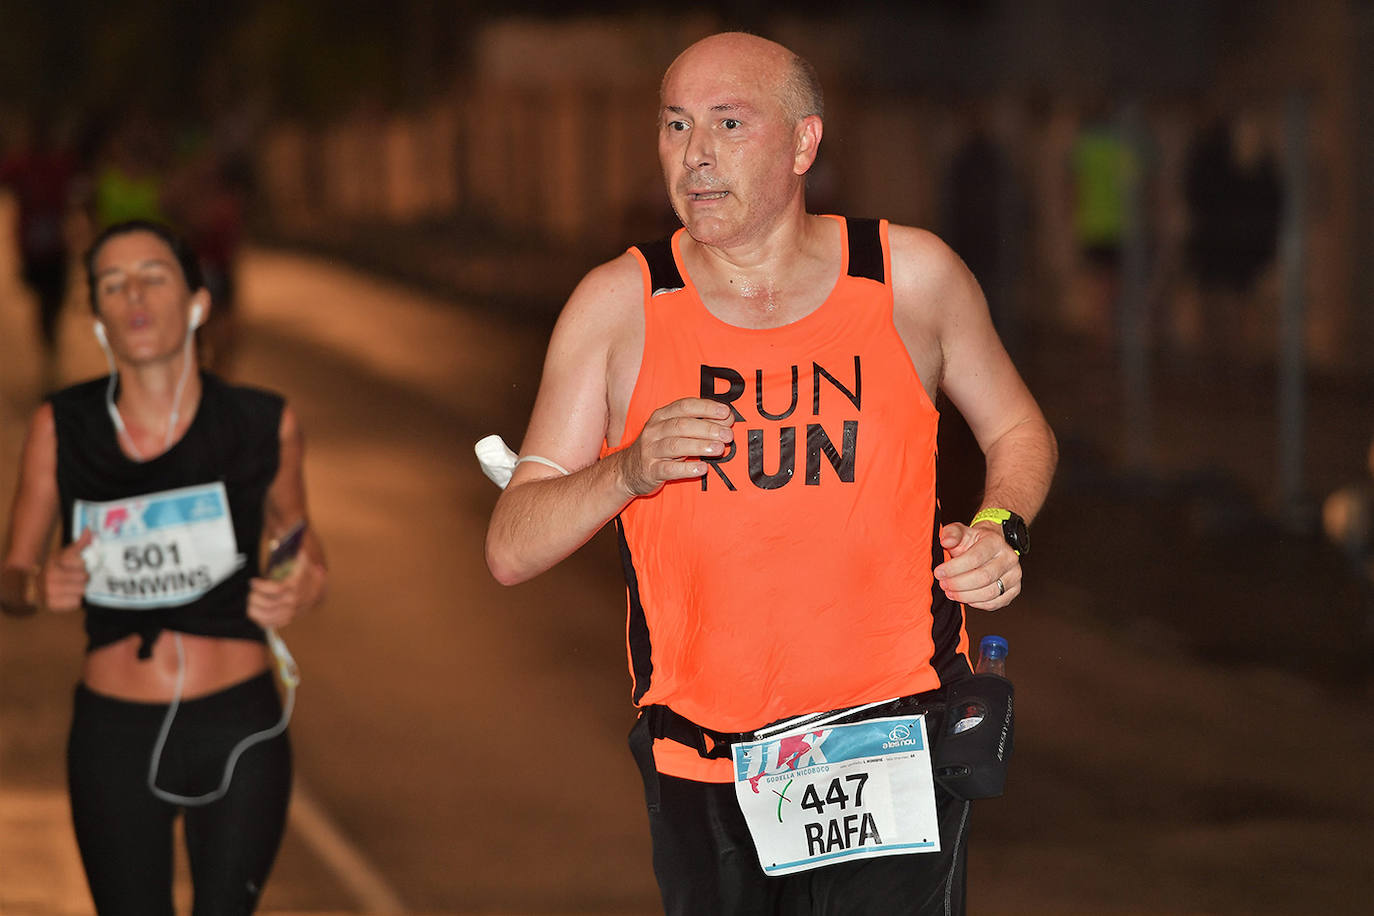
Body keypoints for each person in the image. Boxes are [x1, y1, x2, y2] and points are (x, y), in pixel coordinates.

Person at [484, 32, 1056, 915]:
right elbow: (512, 546)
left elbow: (1018, 427)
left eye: (728, 123)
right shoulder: (620, 306)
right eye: (675, 126)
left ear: (802, 144)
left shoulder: (909, 278)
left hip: (892, 736)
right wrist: (628, 470)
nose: (696, 154)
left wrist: (999, 527)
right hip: (704, 761)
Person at [0, 219, 326, 914]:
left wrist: (297, 578)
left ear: (198, 302)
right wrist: (38, 583)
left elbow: (297, 537)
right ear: (96, 319)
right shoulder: (62, 427)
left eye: (153, 276)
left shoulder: (261, 422)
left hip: (239, 729)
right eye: (112, 285)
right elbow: (12, 576)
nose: (134, 297)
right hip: (115, 734)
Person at [0, 114, 78, 390]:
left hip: (54, 247)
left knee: (51, 303)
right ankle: (49, 346)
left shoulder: (59, 164)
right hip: (33, 249)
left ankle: (50, 348)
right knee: (46, 302)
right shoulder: (23, 164)